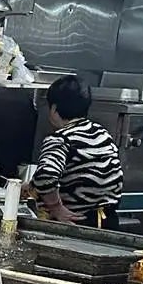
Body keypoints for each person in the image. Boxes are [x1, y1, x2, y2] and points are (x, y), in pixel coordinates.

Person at [33, 75, 123, 226]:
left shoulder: (60, 139)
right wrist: (32, 186)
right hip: (108, 220)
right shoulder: (101, 133)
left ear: (54, 108)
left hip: (75, 222)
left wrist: (56, 207)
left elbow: (46, 176)